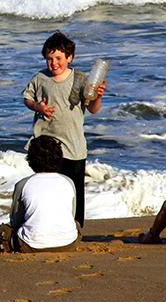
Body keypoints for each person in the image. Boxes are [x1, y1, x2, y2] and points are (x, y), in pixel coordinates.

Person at [22, 31, 104, 227]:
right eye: (49, 59)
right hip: (46, 146)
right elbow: (27, 98)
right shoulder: (40, 78)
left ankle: (75, 227)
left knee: (74, 191)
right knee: (46, 188)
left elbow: (92, 109)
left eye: (59, 58)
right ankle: (46, 224)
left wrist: (98, 96)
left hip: (73, 145)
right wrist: (38, 107)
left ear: (69, 57)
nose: (54, 63)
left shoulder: (81, 79)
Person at [0, 135, 81, 253]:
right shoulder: (68, 182)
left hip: (31, 245)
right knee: (74, 224)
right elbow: (71, 215)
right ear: (59, 159)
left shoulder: (23, 184)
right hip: (69, 243)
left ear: (31, 161)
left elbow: (16, 222)